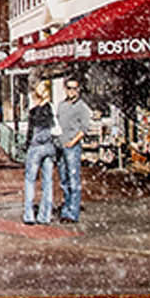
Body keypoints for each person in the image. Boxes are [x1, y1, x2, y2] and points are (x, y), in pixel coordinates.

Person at [54, 76, 94, 225]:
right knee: (64, 180)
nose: (72, 91)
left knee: (74, 180)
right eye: (69, 88)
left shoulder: (82, 107)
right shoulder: (61, 105)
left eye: (74, 88)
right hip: (60, 146)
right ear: (65, 89)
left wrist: (73, 142)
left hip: (72, 147)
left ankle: (73, 212)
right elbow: (57, 124)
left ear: (78, 90)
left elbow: (84, 129)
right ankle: (66, 210)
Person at [23, 94, 61, 224]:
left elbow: (30, 131)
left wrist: (26, 146)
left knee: (30, 180)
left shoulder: (33, 112)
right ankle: (45, 215)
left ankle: (29, 215)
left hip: (36, 147)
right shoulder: (51, 110)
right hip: (49, 146)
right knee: (48, 181)